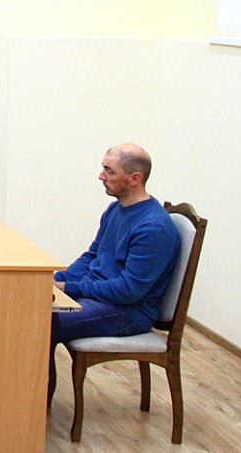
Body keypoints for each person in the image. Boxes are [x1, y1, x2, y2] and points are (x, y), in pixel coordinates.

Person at [51, 143, 182, 351]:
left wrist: (69, 287)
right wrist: (56, 280)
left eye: (109, 171)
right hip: (100, 298)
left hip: (127, 312)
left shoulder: (153, 228)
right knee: (30, 307)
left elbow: (128, 290)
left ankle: (36, 373)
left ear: (135, 178)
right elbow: (92, 256)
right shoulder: (115, 209)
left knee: (39, 320)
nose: (101, 176)